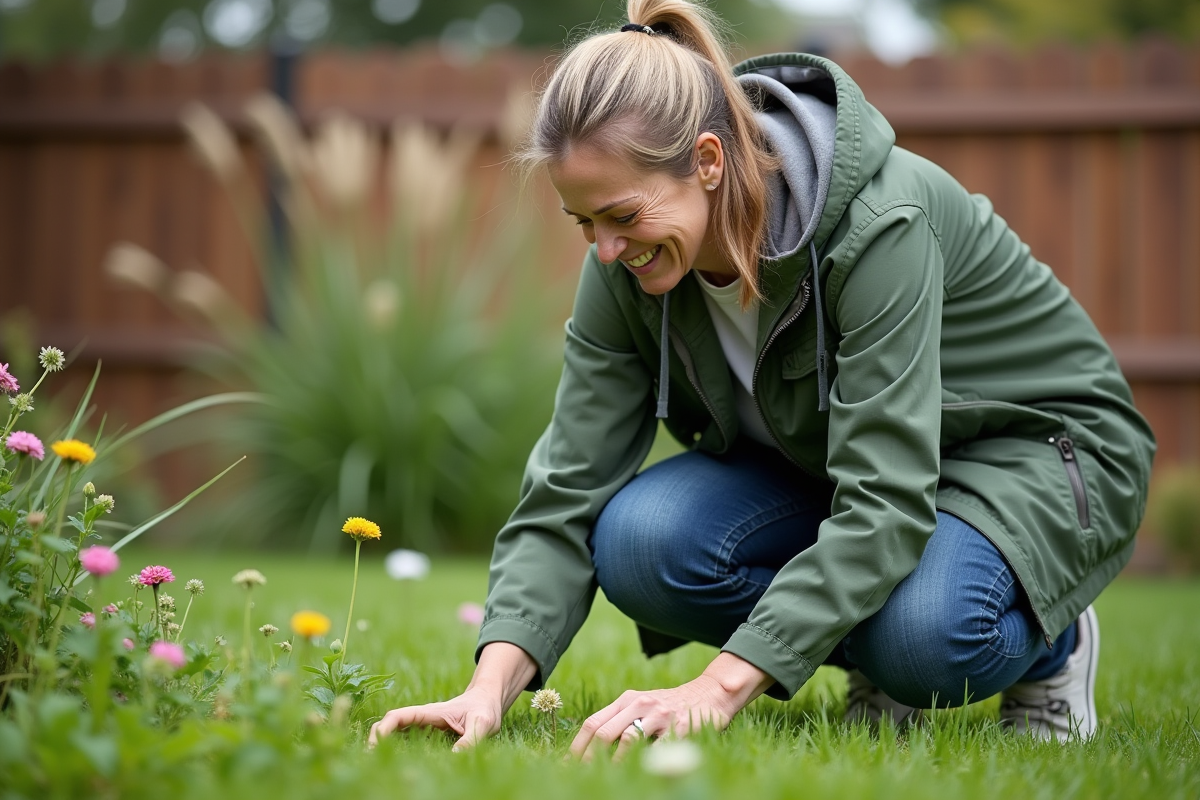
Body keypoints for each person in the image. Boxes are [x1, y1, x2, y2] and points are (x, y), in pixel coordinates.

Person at [368, 0, 1155, 756]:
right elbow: (569, 485)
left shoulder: (877, 228)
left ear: (707, 162)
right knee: (642, 542)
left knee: (925, 639)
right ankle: (877, 643)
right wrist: (486, 690)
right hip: (841, 460)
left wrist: (715, 688)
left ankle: (1049, 639)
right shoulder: (623, 264)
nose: (605, 250)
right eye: (584, 224)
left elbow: (885, 497)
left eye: (622, 216)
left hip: (1035, 451)